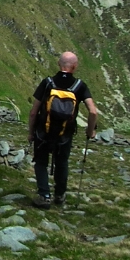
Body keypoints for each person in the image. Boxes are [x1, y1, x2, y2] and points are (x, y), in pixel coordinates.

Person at [28, 51, 98, 207]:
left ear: (59, 64)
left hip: (43, 132)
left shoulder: (47, 83)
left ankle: (44, 195)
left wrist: (31, 133)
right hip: (65, 134)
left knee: (40, 162)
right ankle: (59, 196)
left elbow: (34, 112)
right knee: (62, 162)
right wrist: (90, 131)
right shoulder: (79, 86)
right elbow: (93, 111)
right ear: (75, 66)